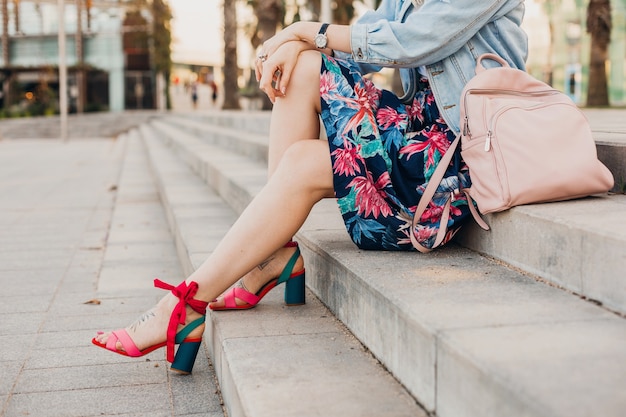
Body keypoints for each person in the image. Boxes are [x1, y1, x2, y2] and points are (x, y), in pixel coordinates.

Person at [93, 0, 528, 374]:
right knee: (303, 65)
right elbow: (366, 42)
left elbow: (409, 42)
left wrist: (300, 30)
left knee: (302, 156)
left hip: (458, 163)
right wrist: (290, 45)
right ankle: (271, 254)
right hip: (418, 140)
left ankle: (185, 304)